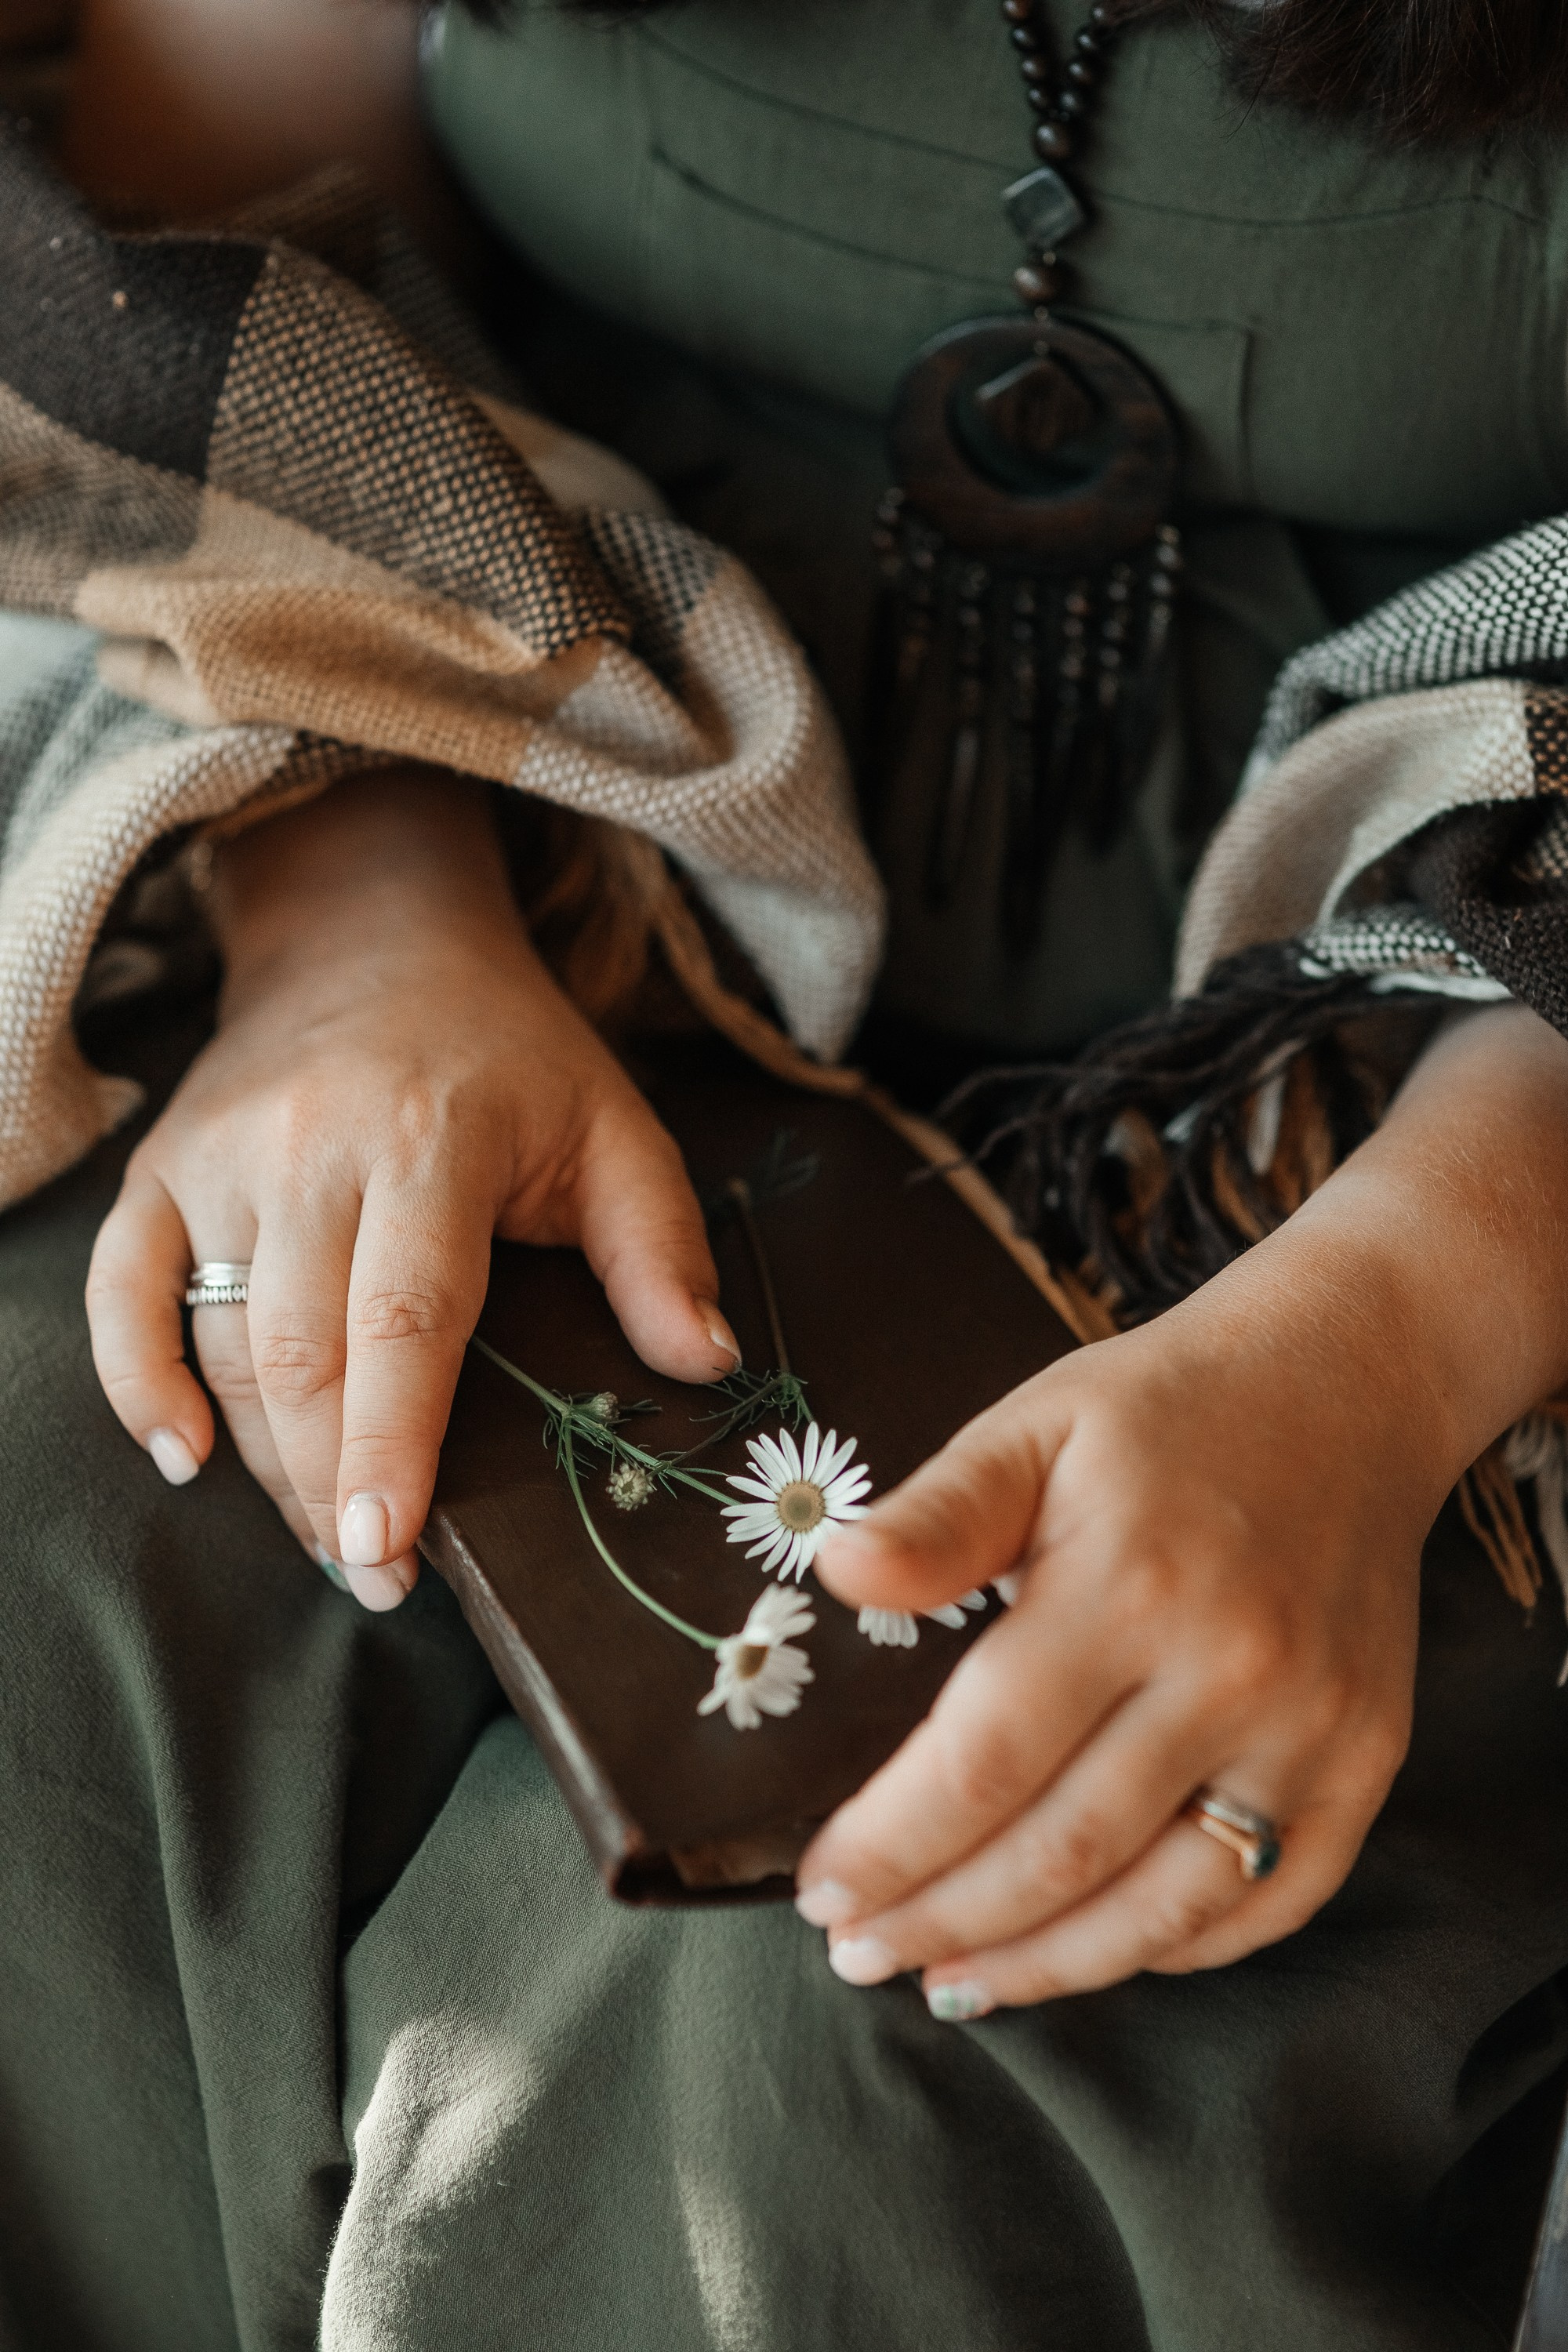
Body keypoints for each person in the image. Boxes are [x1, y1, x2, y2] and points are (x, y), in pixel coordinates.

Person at [5, 0, 1568, 2343]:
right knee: (50, 1533)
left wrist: (1400, 1339)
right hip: (537, 852)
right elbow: (171, 246)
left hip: (1463, 1111)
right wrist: (352, 913)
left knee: (863, 2011)